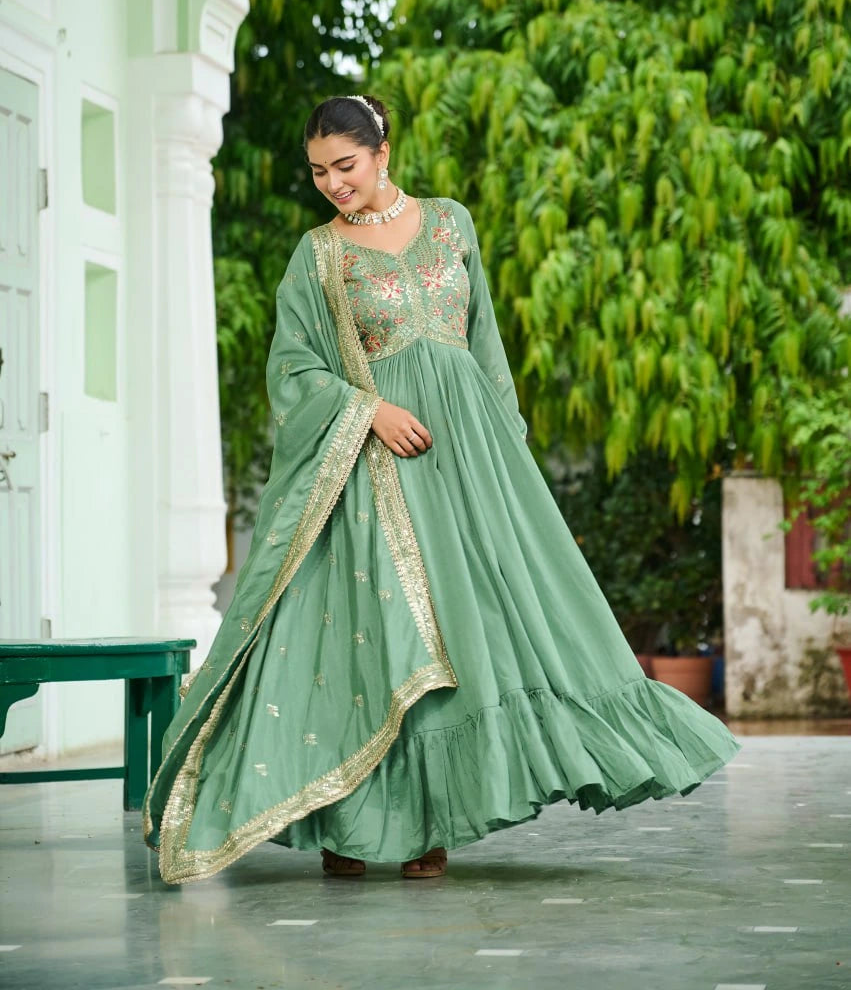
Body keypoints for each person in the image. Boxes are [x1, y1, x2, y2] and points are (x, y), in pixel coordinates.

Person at [143, 93, 741, 885]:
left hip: (470, 457)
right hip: (374, 464)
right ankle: (353, 823)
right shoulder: (316, 256)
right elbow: (291, 370)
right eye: (319, 171)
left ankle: (434, 823)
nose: (332, 183)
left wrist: (507, 451)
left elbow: (484, 343)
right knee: (378, 630)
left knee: (473, 628)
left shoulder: (452, 223)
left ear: (382, 153)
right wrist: (369, 410)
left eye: (345, 166)